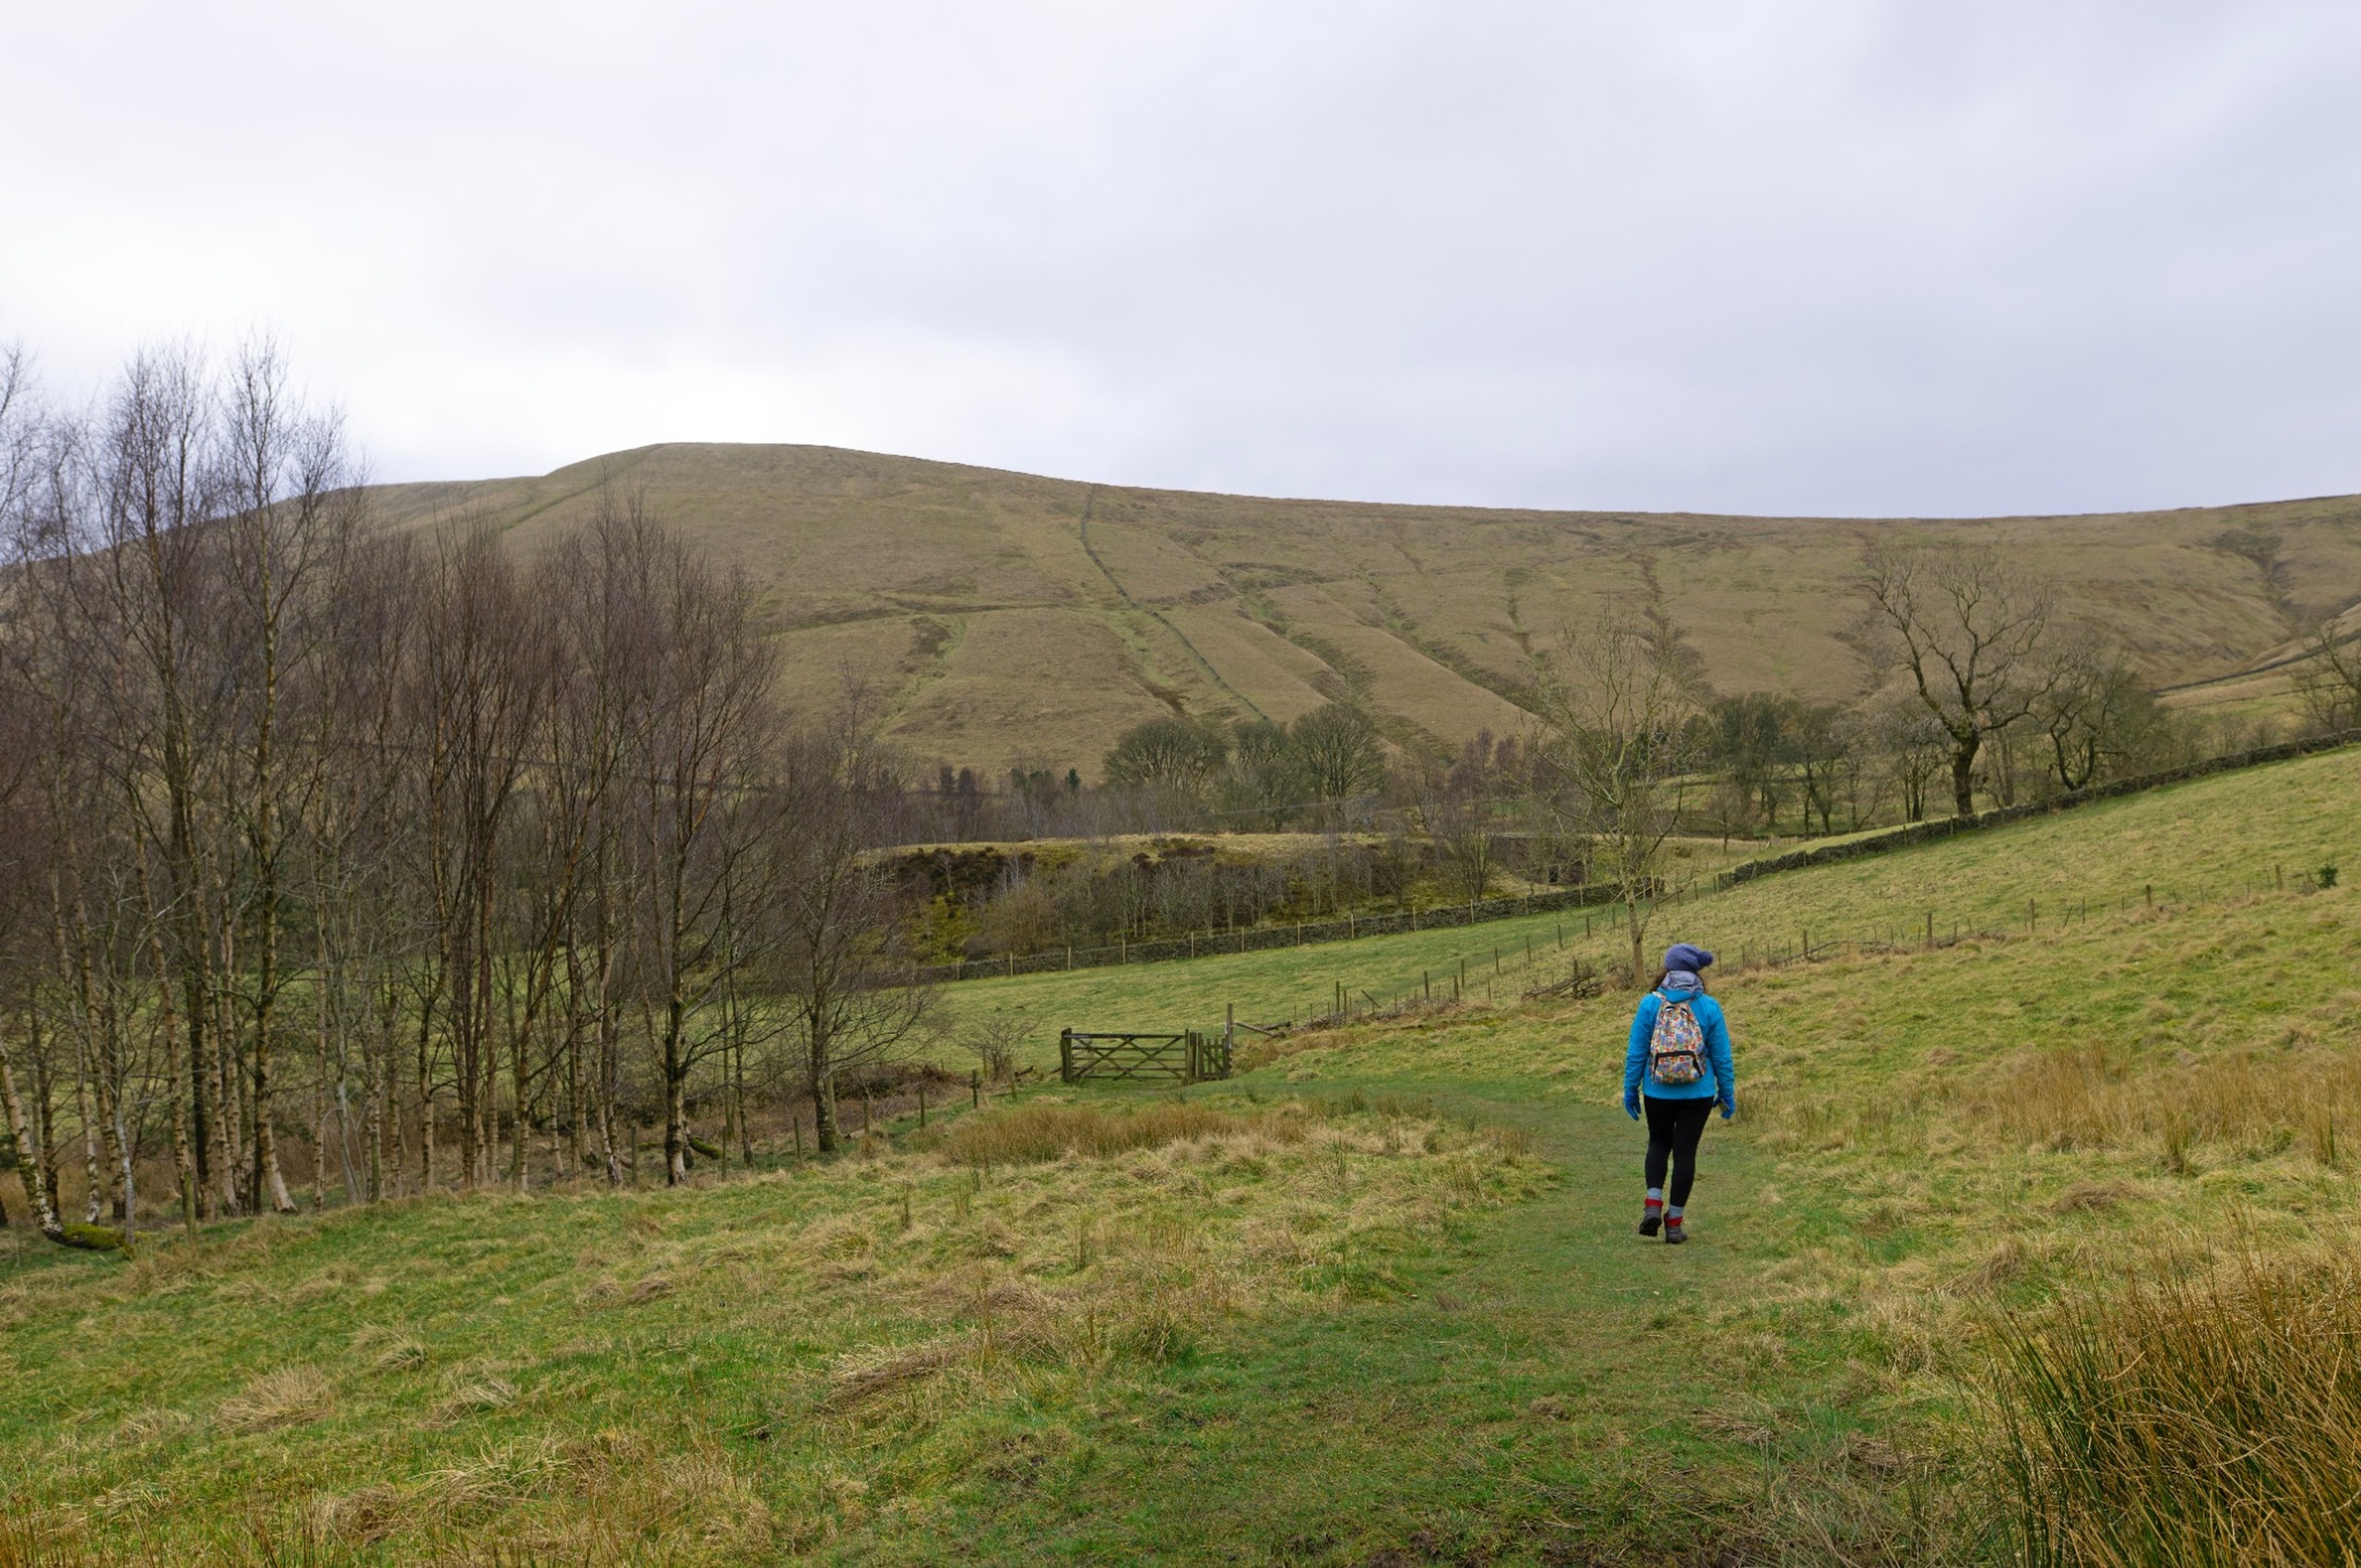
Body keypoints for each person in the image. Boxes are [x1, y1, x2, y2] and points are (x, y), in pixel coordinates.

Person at [1621, 943, 1735, 1244]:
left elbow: (1636, 1053)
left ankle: (1653, 1206)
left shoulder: (1650, 1004)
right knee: (1685, 1153)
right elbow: (1722, 1057)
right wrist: (1727, 1093)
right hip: (1698, 1093)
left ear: (1668, 969)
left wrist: (1630, 1089)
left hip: (1657, 1091)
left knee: (1658, 1144)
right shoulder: (1709, 1006)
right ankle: (1674, 1224)